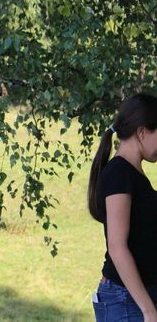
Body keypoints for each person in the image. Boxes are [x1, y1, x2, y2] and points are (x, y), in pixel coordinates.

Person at [88, 93, 157, 322]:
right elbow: (117, 247)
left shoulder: (133, 174)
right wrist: (148, 310)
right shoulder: (119, 173)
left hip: (135, 298)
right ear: (142, 131)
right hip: (126, 301)